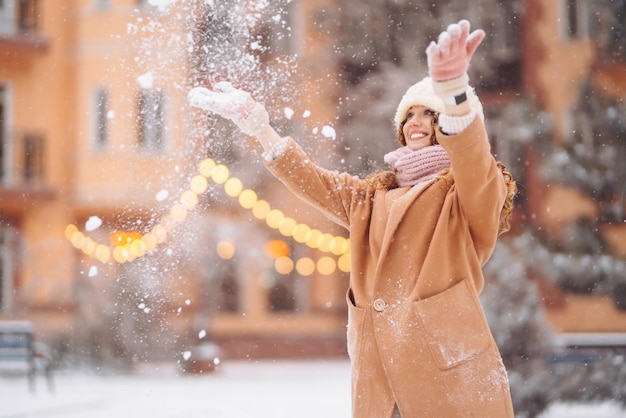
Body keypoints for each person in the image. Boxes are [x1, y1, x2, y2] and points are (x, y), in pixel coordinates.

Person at [189, 20, 516, 418]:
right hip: (380, 381)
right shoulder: (372, 197)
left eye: (430, 114)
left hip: (447, 374)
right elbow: (314, 182)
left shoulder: (469, 196)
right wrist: (260, 127)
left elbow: (473, 160)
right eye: (410, 114)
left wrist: (454, 92)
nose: (416, 121)